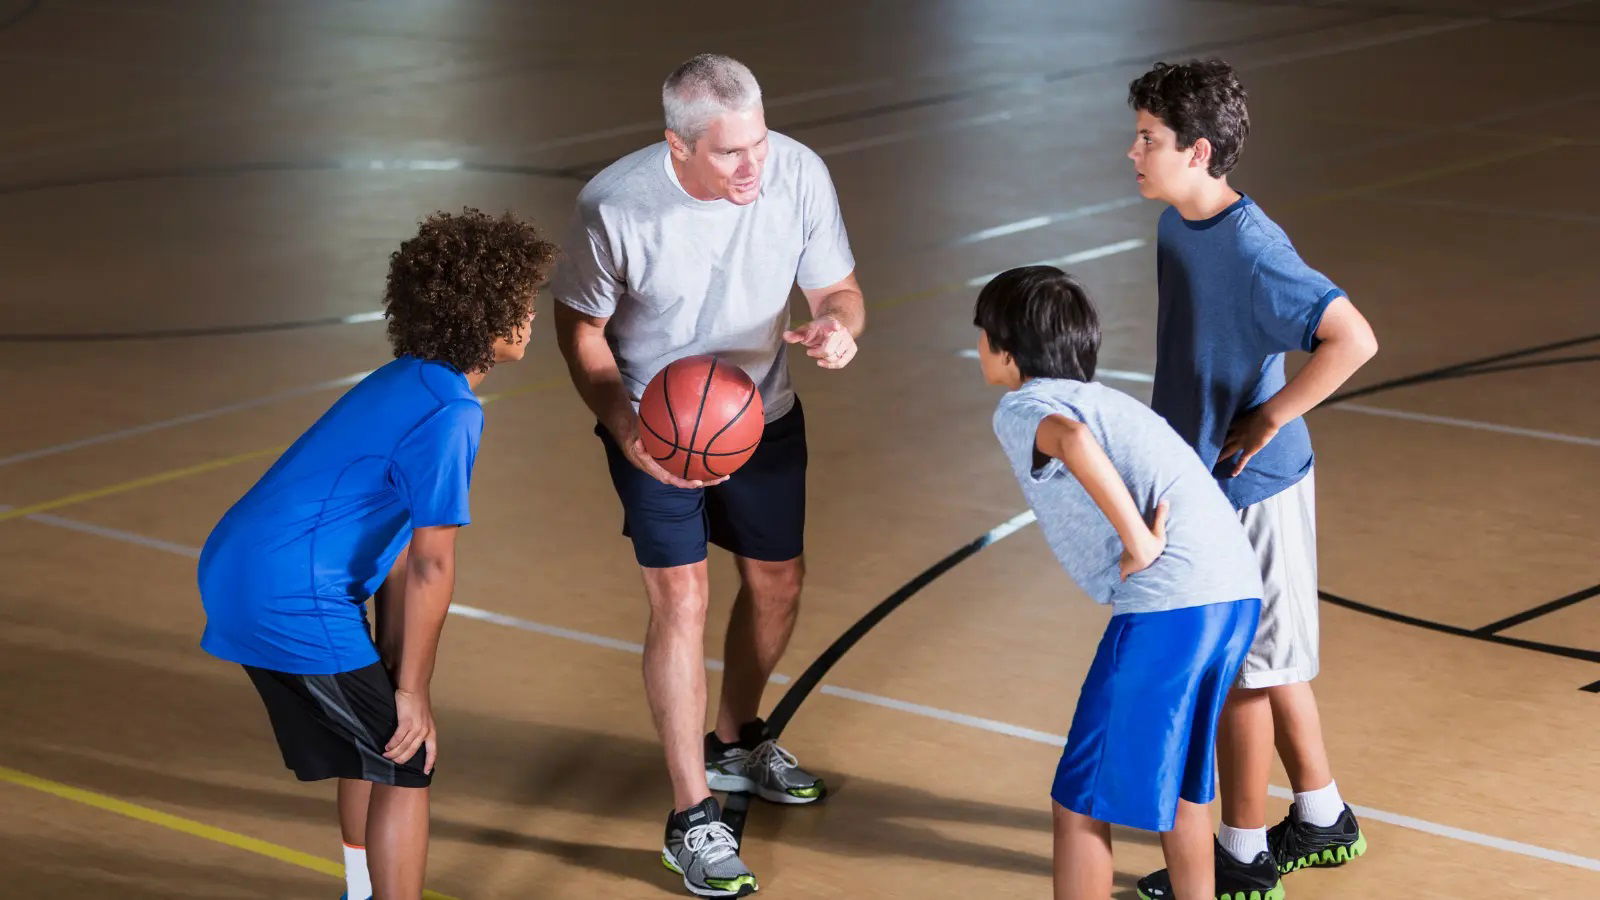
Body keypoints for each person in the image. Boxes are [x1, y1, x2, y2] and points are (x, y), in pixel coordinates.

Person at [550, 52, 864, 898]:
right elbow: (580, 327)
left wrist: (837, 326)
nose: (752, 166)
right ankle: (691, 817)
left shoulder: (796, 173)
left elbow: (839, 288)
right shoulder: (615, 206)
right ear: (676, 146)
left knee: (778, 585)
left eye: (758, 142)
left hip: (760, 411)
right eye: (729, 153)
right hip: (660, 423)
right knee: (681, 598)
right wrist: (622, 425)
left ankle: (734, 740)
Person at [197, 209, 556, 900]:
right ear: (479, 315)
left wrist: (398, 673)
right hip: (287, 593)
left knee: (376, 745)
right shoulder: (452, 412)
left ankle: (361, 892)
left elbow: (390, 555)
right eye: (517, 301)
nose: (529, 316)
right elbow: (430, 564)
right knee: (407, 754)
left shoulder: (407, 379)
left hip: (248, 567)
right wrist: (413, 694)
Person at [1124, 59, 1380, 899]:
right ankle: (1319, 814)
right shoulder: (1177, 226)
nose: (1133, 151)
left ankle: (1239, 858)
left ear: (1197, 153)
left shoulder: (1253, 248)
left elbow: (1353, 338)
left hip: (1255, 487)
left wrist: (1269, 416)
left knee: (1239, 673)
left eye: (1149, 139)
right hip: (1208, 479)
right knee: (1269, 665)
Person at [976, 265, 1264, 900]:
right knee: (1186, 790)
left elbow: (1071, 441)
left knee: (1080, 800)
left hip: (1172, 605)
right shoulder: (1109, 399)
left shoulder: (1026, 406)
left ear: (1005, 345)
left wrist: (1139, 543)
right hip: (1234, 594)